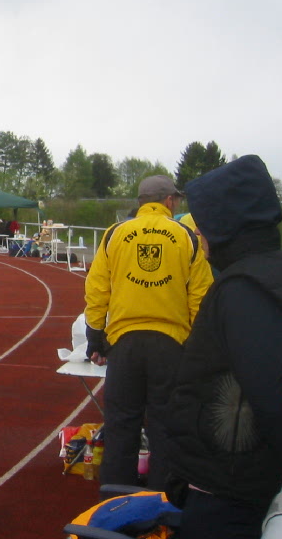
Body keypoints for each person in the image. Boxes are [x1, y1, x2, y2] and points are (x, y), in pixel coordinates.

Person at [166, 155, 282, 539]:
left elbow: (272, 394)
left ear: (225, 225)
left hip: (231, 493)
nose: (200, 234)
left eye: (204, 222)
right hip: (251, 484)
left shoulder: (243, 290)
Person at [84, 175, 213, 491]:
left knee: (120, 427)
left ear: (142, 201)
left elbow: (97, 287)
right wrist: (198, 349)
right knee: (166, 430)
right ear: (169, 201)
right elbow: (201, 297)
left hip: (125, 344)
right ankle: (162, 507)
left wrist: (94, 338)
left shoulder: (116, 234)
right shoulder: (186, 236)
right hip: (170, 346)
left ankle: (113, 501)